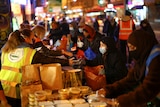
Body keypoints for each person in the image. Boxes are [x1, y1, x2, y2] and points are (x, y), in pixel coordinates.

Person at [0, 29, 73, 107]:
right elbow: (48, 60)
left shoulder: (5, 51)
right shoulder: (30, 52)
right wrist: (67, 62)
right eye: (32, 39)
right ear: (26, 39)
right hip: (19, 93)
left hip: (4, 90)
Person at [97, 29, 160, 107]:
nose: (130, 51)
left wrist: (118, 102)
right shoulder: (143, 57)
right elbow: (130, 79)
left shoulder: (156, 59)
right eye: (129, 47)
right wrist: (108, 89)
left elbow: (148, 89)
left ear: (141, 45)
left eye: (133, 47)